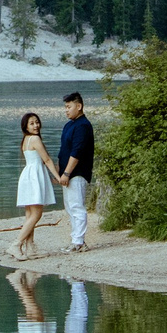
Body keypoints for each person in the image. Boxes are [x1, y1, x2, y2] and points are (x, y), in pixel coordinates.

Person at [10, 111, 63, 259]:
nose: (36, 125)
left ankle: (30, 247)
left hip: (28, 176)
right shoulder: (34, 139)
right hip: (34, 177)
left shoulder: (26, 139)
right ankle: (16, 244)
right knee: (37, 214)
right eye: (32, 123)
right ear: (26, 126)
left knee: (30, 214)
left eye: (37, 122)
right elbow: (46, 160)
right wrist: (58, 177)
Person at [56, 91, 96, 252]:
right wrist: (60, 173)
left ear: (78, 106)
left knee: (76, 206)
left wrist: (67, 173)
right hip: (67, 172)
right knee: (69, 207)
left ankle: (79, 242)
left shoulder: (83, 125)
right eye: (65, 107)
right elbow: (64, 151)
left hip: (77, 172)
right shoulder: (69, 125)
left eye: (69, 106)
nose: (66, 110)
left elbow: (77, 151)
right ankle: (76, 239)